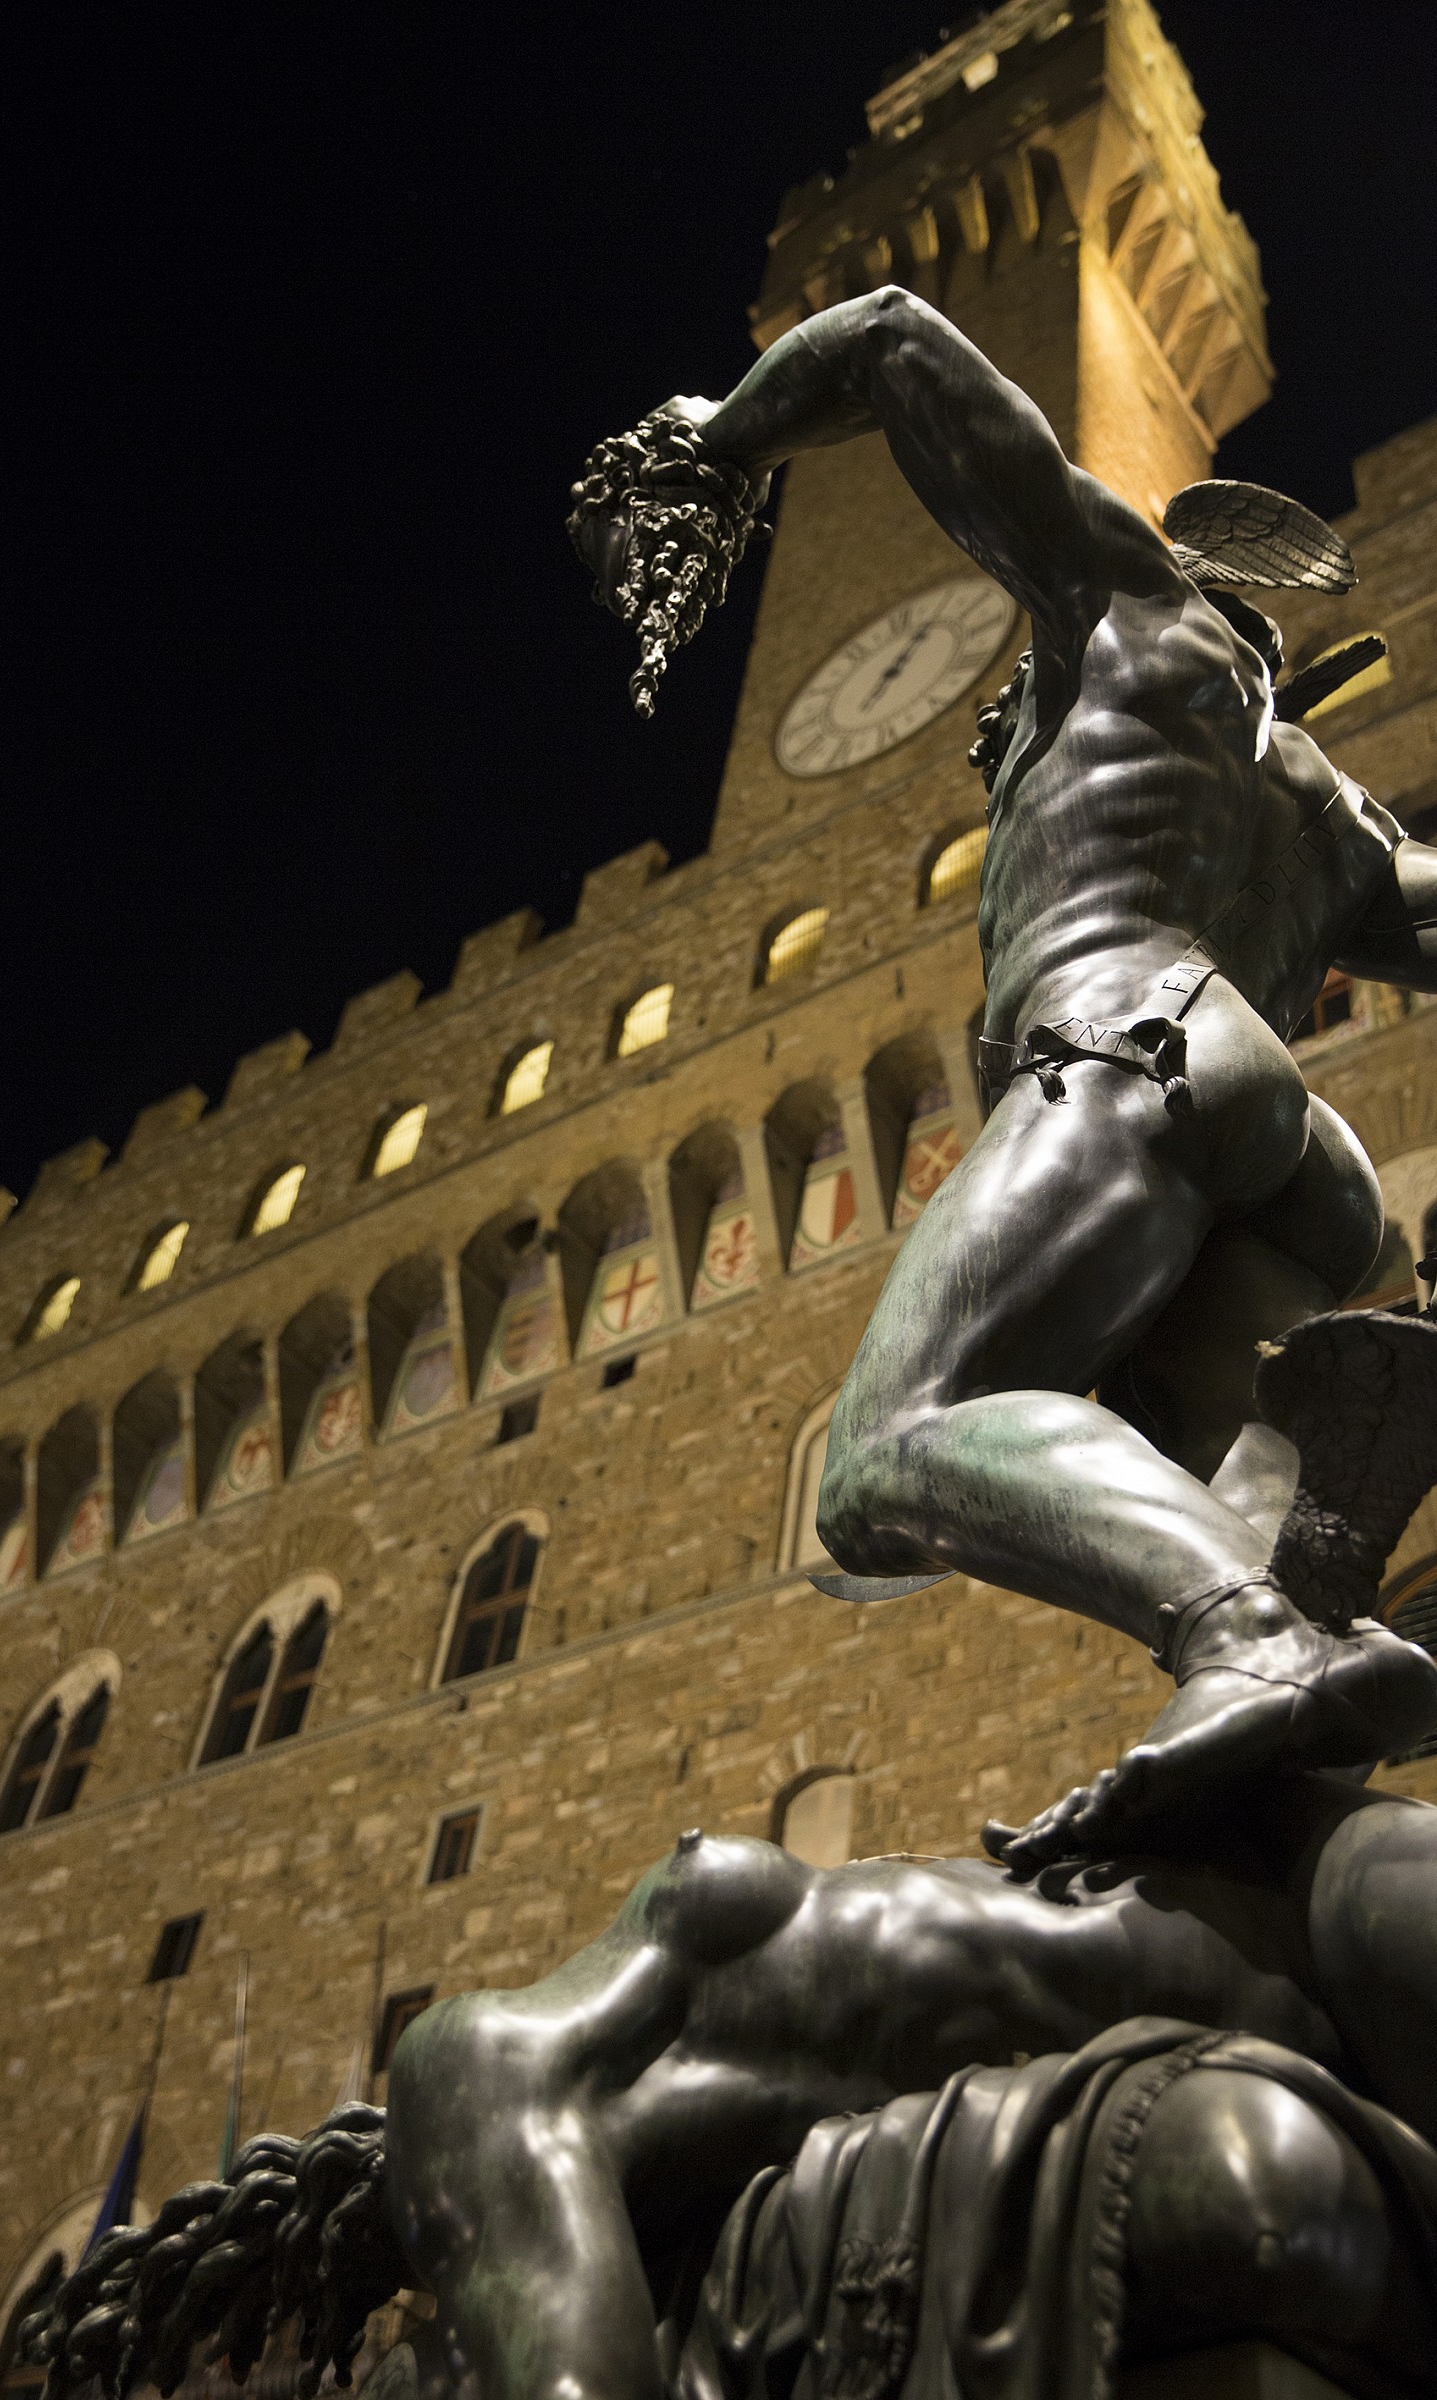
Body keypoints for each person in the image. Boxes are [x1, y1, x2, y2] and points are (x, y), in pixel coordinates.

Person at [567, 285, 1437, 1873]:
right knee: (1193, 1490)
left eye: (1001, 733)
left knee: (887, 1448)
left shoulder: (1123, 613)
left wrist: (724, 434)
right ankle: (1289, 1676)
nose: (1004, 751)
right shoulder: (1321, 801)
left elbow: (897, 333)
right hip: (1305, 1173)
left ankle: (1261, 1636)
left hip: (1127, 1047)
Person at [23, 1787, 1437, 2400]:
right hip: (1267, 1927)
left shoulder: (481, 2073)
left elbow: (570, 2370)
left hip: (1271, 1932)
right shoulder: (563, 2083)